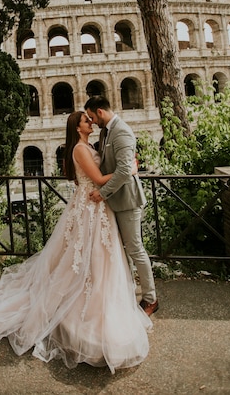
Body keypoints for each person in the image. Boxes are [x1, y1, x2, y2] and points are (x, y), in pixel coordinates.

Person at [0, 111, 152, 373]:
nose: (90, 122)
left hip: (96, 207)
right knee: (85, 258)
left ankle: (101, 302)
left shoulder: (88, 146)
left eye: (90, 119)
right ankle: (86, 308)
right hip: (90, 208)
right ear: (78, 127)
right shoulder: (80, 149)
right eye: (86, 121)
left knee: (97, 258)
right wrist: (127, 170)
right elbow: (97, 179)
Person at [84, 96, 158, 316]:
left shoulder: (122, 131)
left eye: (92, 116)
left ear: (100, 111)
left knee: (135, 249)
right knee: (122, 251)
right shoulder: (106, 130)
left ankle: (150, 299)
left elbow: (125, 170)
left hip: (127, 200)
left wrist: (102, 193)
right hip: (115, 200)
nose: (92, 121)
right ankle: (127, 292)